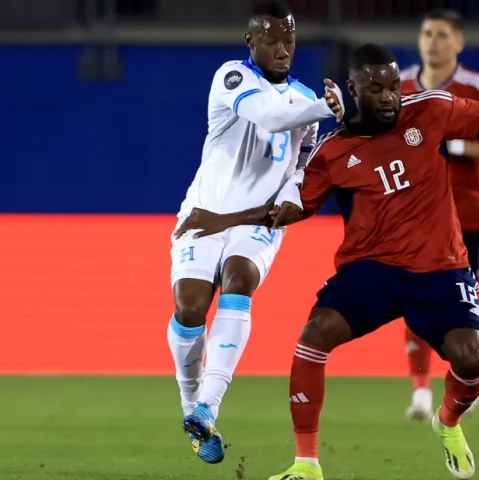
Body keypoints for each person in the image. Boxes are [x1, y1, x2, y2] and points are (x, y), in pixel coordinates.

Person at [173, 43, 479, 480]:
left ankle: (447, 421)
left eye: (393, 87)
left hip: (441, 267)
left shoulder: (430, 109)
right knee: (313, 337)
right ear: (353, 89)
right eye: (377, 88)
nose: (389, 97)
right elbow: (289, 210)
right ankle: (307, 464)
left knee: (470, 358)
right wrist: (223, 219)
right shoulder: (333, 151)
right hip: (372, 270)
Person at [166, 0, 344, 465]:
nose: (283, 48)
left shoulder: (305, 98)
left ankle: (208, 405)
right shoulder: (233, 77)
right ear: (251, 41)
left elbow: (305, 161)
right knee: (189, 309)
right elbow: (267, 117)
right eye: (272, 39)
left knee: (239, 279)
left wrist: (294, 191)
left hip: (255, 221)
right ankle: (190, 406)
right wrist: (324, 109)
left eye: (289, 39)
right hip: (205, 212)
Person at [399, 8, 479, 421]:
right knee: (413, 297)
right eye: (427, 32)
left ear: (458, 42)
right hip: (413, 217)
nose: (432, 41)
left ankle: (464, 376)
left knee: (461, 304)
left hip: (465, 217)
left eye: (442, 34)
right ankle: (419, 391)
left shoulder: (475, 88)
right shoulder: (399, 86)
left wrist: (459, 148)